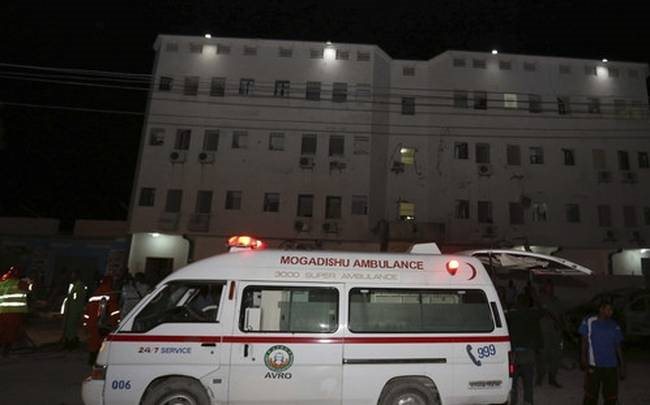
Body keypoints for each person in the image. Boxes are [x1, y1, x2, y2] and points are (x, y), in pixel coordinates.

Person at [579, 300, 625, 405]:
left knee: (611, 396)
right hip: (594, 365)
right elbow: (584, 341)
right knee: (591, 395)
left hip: (611, 365)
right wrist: (583, 357)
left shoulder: (614, 325)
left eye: (612, 310)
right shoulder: (589, 321)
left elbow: (618, 346)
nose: (611, 312)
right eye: (608, 309)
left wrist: (622, 364)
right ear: (601, 309)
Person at [507, 294, 543, 405]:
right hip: (528, 354)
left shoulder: (512, 315)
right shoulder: (534, 315)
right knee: (528, 383)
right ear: (528, 303)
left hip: (514, 354)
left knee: (512, 383)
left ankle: (513, 402)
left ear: (517, 302)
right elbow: (538, 335)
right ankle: (528, 402)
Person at [84, 275, 120, 365]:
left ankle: (92, 360)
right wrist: (115, 323)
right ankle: (99, 362)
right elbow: (114, 312)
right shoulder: (111, 294)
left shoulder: (96, 293)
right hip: (103, 324)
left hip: (92, 323)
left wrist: (86, 323)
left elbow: (87, 311)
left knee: (93, 342)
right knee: (102, 344)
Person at [0, 266, 29, 356]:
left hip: (2, 311)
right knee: (12, 330)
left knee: (3, 330)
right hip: (15, 312)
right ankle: (7, 349)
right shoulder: (20, 283)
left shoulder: (2, 283)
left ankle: (4, 347)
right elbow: (29, 289)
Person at [536, 309, 563, 388]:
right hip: (544, 343)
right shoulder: (542, 320)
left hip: (554, 343)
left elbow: (560, 331)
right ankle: (540, 379)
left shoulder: (556, 320)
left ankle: (552, 379)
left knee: (555, 362)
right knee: (542, 362)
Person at [61, 270, 87, 350]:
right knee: (69, 327)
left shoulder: (79, 286)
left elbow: (76, 299)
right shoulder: (74, 285)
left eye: (73, 275)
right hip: (70, 310)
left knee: (71, 328)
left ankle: (71, 342)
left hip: (74, 311)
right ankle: (69, 341)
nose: (71, 276)